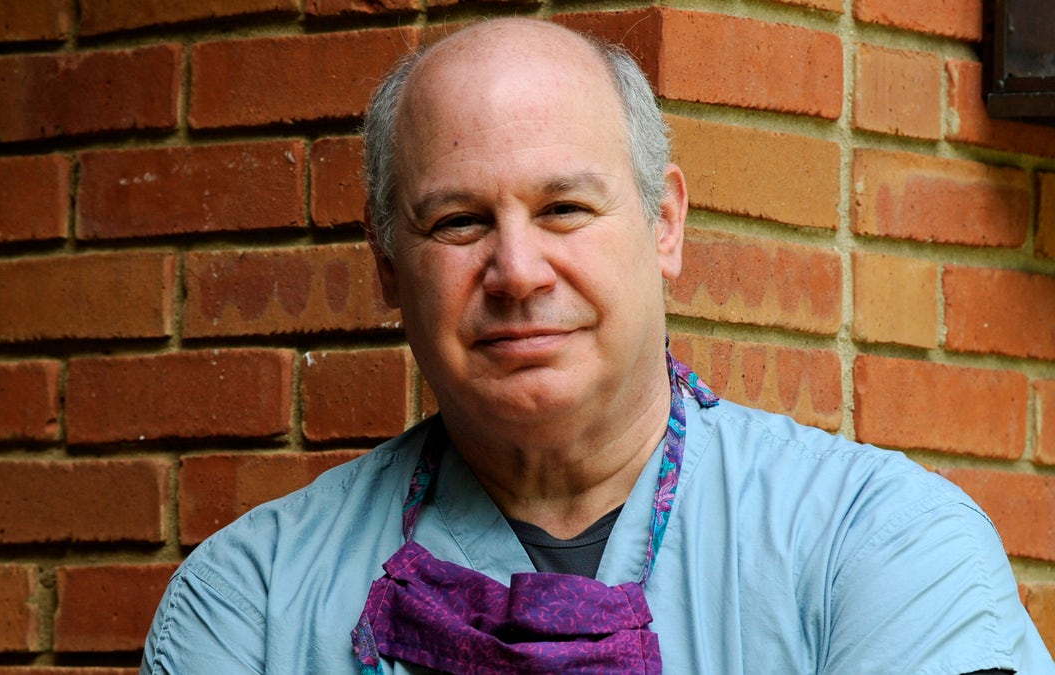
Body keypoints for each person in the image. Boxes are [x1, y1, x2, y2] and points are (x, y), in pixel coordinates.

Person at [140, 18, 1053, 674]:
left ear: (665, 223)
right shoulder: (251, 602)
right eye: (458, 221)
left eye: (564, 208)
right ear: (387, 267)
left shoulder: (879, 546)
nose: (518, 270)